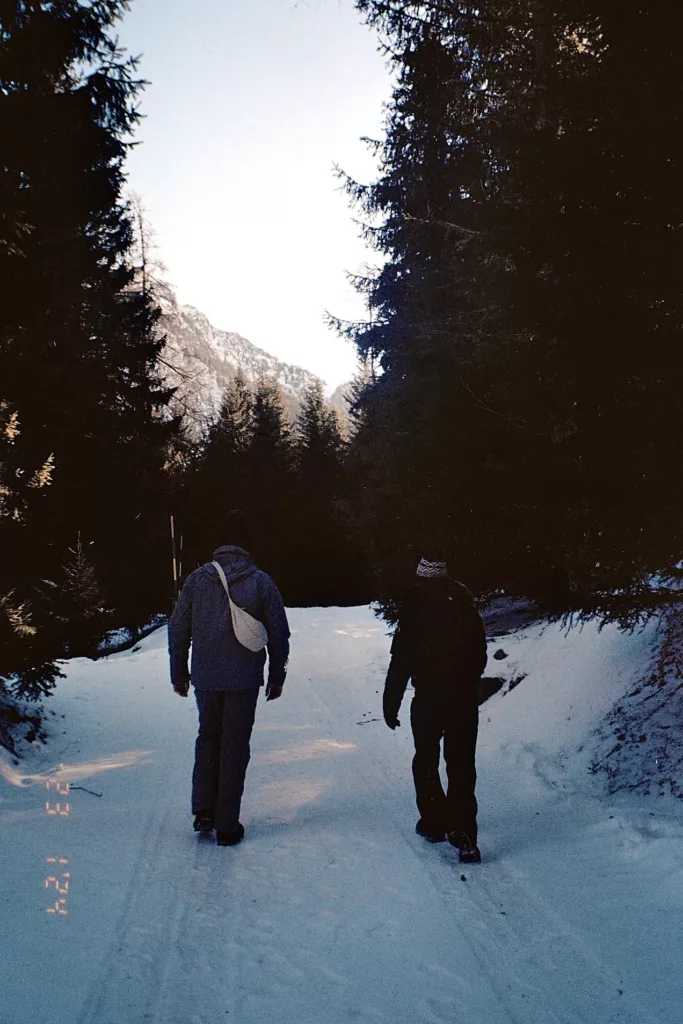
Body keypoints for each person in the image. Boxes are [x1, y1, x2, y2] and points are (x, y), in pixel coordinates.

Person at [168, 542, 290, 846]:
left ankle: (204, 812)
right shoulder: (261, 580)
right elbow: (279, 632)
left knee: (208, 736)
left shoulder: (197, 579)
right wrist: (277, 676)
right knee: (234, 745)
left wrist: (179, 674)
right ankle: (227, 825)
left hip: (206, 678)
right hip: (244, 680)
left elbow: (178, 628)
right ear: (245, 557)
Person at [382, 557, 487, 863]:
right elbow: (480, 654)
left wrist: (391, 703)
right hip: (462, 699)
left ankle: (434, 822)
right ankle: (464, 831)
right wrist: (467, 682)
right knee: (461, 764)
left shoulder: (413, 608)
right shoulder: (465, 606)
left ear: (421, 576)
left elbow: (400, 661)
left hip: (428, 698)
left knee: (425, 759)